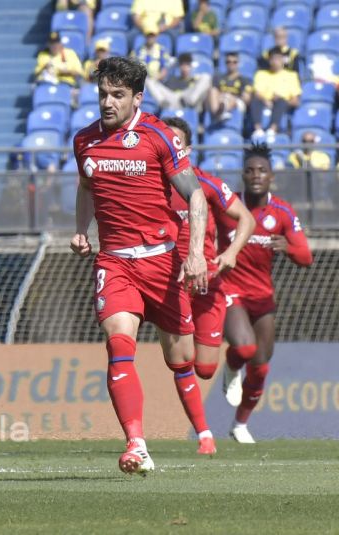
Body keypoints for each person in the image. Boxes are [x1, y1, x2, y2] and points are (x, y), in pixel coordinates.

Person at [70, 57, 209, 474]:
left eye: (117, 95)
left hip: (163, 262)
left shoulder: (158, 135)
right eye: (103, 94)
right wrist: (81, 229)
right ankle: (136, 444)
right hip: (115, 262)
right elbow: (86, 187)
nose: (107, 102)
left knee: (182, 358)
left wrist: (196, 253)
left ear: (137, 98)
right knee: (118, 344)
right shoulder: (84, 141)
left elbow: (195, 195)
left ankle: (203, 431)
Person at [162, 116, 255, 453]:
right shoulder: (149, 185)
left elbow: (246, 218)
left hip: (208, 286)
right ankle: (204, 435)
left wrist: (230, 253)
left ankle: (231, 369)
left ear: (187, 149)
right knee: (181, 360)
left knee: (204, 368)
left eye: (176, 142)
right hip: (169, 286)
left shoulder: (205, 183)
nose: (169, 147)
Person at [218, 143, 312, 444]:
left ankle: (239, 424)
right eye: (250, 170)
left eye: (262, 170)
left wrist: (289, 247)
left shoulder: (282, 211)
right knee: (245, 349)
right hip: (231, 289)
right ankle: (231, 367)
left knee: (260, 366)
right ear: (242, 175)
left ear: (272, 177)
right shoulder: (228, 206)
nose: (256, 175)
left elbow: (306, 257)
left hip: (262, 295)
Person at [249, 47, 301, 139]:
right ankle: (258, 130)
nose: (275, 62)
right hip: (264, 102)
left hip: (283, 104)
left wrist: (282, 100)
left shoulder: (292, 76)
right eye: (273, 59)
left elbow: (295, 100)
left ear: (283, 60)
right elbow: (257, 92)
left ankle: (272, 129)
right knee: (255, 101)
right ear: (269, 60)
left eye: (278, 58)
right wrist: (266, 101)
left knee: (281, 102)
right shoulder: (261, 74)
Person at [144, 52, 211, 111]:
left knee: (206, 77)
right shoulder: (173, 79)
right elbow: (163, 90)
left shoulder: (195, 79)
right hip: (172, 101)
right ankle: (163, 103)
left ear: (191, 66)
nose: (185, 68)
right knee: (148, 81)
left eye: (187, 65)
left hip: (188, 99)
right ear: (179, 66)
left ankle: (191, 102)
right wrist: (160, 76)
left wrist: (196, 78)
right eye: (182, 65)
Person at [207, 51, 253, 122]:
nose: (231, 64)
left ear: (238, 63)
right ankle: (218, 113)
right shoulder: (218, 77)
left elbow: (247, 98)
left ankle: (221, 113)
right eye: (228, 62)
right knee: (213, 91)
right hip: (220, 100)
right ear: (225, 63)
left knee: (230, 98)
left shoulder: (244, 80)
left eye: (234, 62)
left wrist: (231, 97)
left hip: (236, 102)